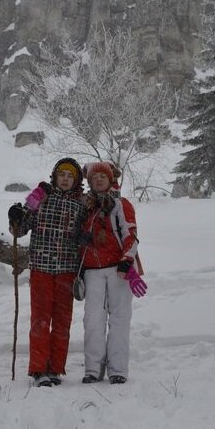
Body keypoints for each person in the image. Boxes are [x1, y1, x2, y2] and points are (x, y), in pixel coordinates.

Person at [8, 157, 86, 388]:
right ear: (55, 176)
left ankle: (55, 368)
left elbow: (86, 233)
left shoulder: (80, 204)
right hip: (41, 268)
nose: (65, 179)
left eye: (70, 176)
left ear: (76, 180)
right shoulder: (42, 198)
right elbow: (19, 231)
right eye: (62, 174)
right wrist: (15, 217)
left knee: (62, 321)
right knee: (41, 320)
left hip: (67, 270)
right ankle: (39, 369)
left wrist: (84, 239)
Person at [79, 161, 147, 385]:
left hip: (119, 270)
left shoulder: (121, 204)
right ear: (89, 182)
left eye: (103, 176)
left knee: (119, 319)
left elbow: (131, 234)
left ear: (110, 180)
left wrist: (127, 260)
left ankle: (118, 369)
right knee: (93, 320)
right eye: (94, 177)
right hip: (92, 271)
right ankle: (93, 369)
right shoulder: (84, 206)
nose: (98, 179)